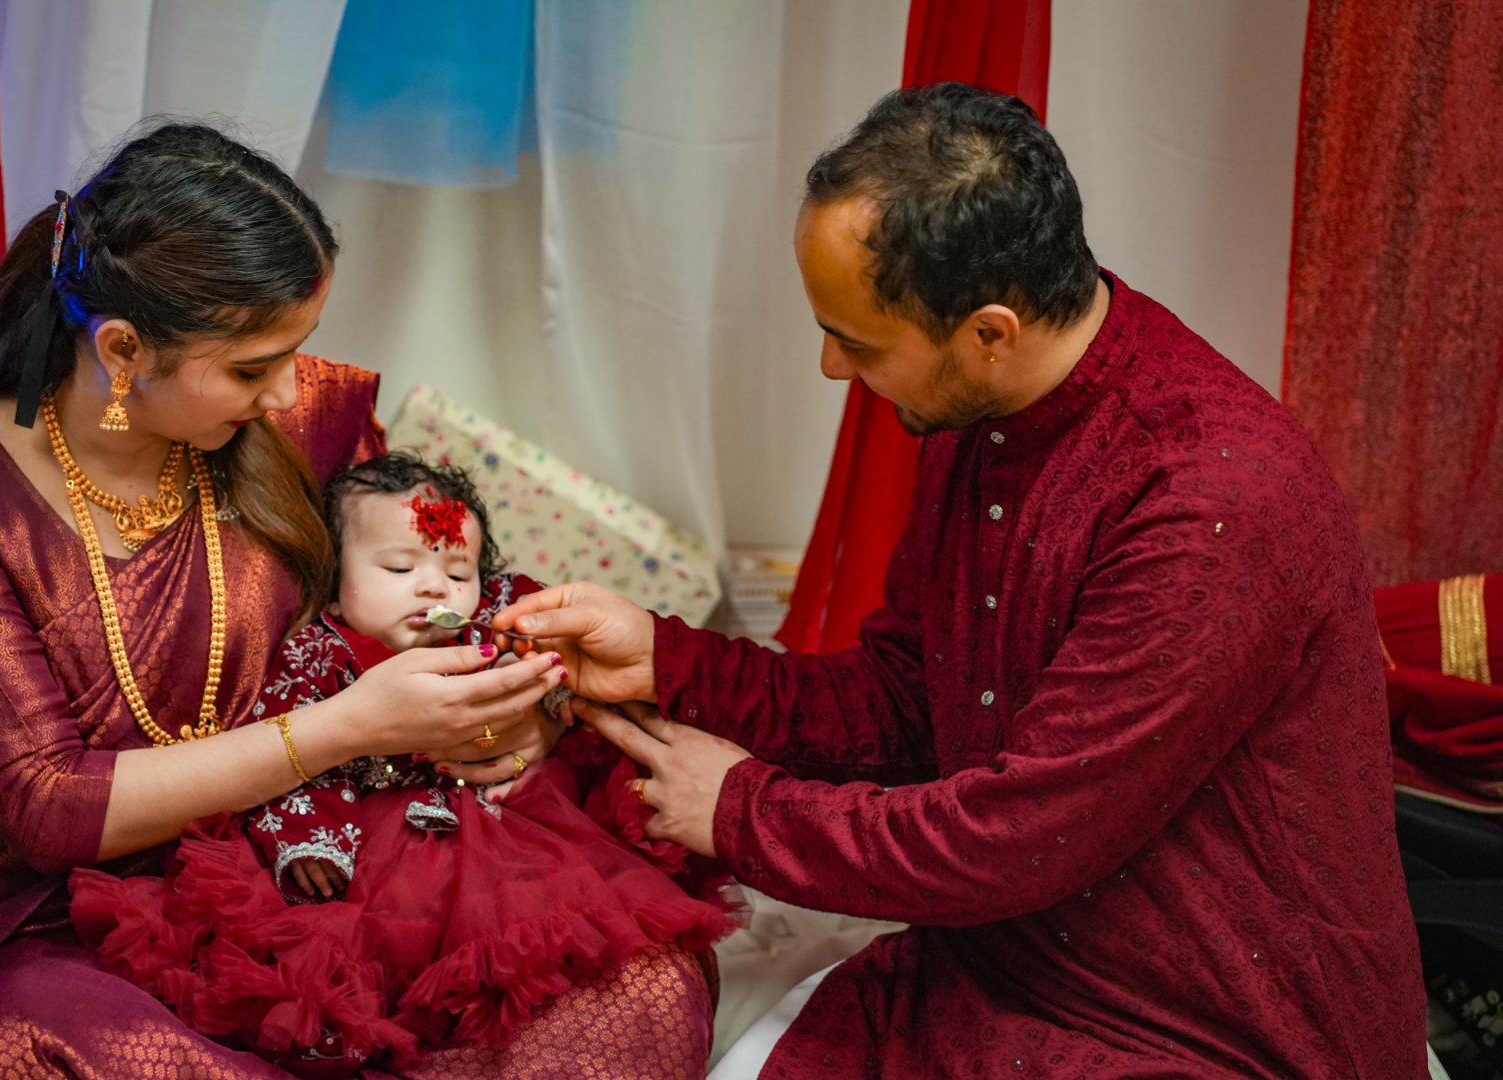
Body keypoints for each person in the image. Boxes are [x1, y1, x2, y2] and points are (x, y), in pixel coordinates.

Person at [495, 84, 1429, 1079]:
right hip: (1011, 959)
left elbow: (1022, 835)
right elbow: (910, 703)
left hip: (1214, 1028)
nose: (830, 366)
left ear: (989, 332)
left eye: (858, 342)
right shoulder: (981, 415)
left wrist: (739, 810)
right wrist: (668, 659)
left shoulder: (1209, 500)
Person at [0, 123, 717, 1080]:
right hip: (78, 919)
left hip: (356, 869)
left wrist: (511, 706)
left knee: (641, 993)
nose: (289, 391)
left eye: (297, 353)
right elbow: (44, 805)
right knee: (13, 1051)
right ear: (122, 349)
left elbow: (426, 593)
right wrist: (348, 725)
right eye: (252, 368)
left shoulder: (309, 421)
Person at [70, 451, 734, 1077]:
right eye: (398, 568)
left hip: (509, 830)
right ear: (335, 587)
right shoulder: (322, 654)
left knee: (568, 948)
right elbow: (288, 748)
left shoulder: (492, 632)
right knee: (354, 974)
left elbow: (560, 672)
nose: (433, 585)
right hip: (373, 841)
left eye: (458, 574)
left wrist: (546, 694)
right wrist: (312, 840)